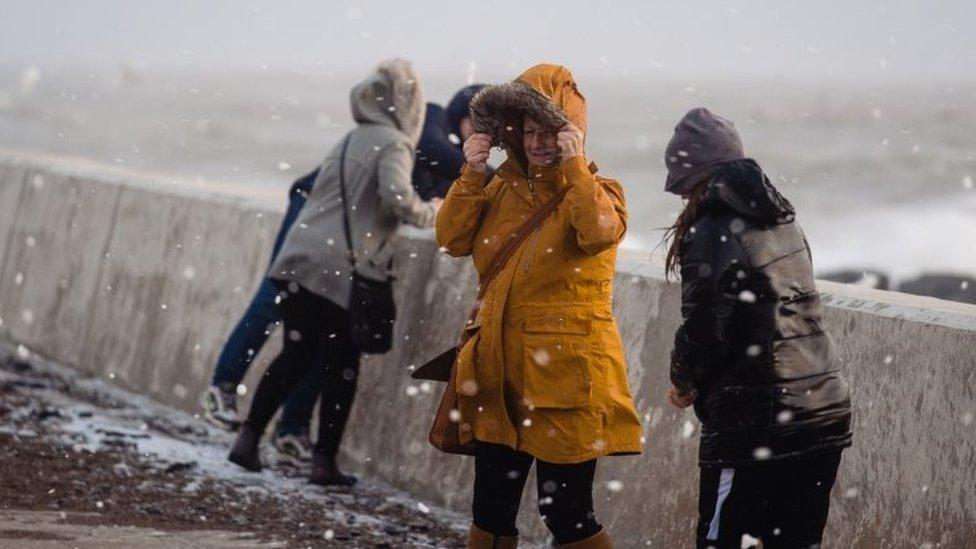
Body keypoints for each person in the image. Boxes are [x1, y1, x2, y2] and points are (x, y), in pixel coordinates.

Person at [436, 63, 642, 548]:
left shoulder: (599, 191)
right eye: (530, 132)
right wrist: (471, 171)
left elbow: (597, 233)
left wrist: (574, 167)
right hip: (496, 373)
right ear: (514, 133)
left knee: (567, 515)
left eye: (553, 132)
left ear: (574, 135)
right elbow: (451, 239)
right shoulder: (500, 188)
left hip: (563, 382)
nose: (540, 143)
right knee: (490, 511)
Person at [228, 59, 440, 486]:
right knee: (342, 366)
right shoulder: (395, 143)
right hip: (338, 269)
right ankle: (323, 462)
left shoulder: (351, 137)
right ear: (405, 104)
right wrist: (430, 214)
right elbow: (397, 196)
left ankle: (248, 440)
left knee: (296, 353)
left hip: (299, 259)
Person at [661, 108, 853, 548]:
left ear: (697, 179)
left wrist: (682, 380)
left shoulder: (712, 228)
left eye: (684, 188)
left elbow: (707, 326)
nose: (683, 200)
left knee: (722, 541)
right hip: (822, 413)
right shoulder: (783, 218)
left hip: (757, 426)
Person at [200, 168, 323, 465]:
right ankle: (223, 386)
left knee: (319, 325)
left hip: (339, 220)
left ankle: (291, 430)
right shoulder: (427, 130)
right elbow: (431, 148)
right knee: (276, 296)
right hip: (314, 207)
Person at [413, 84, 486, 201]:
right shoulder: (434, 115)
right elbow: (430, 146)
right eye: (476, 121)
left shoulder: (463, 153)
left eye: (489, 126)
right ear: (461, 113)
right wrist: (487, 176)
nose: (481, 130)